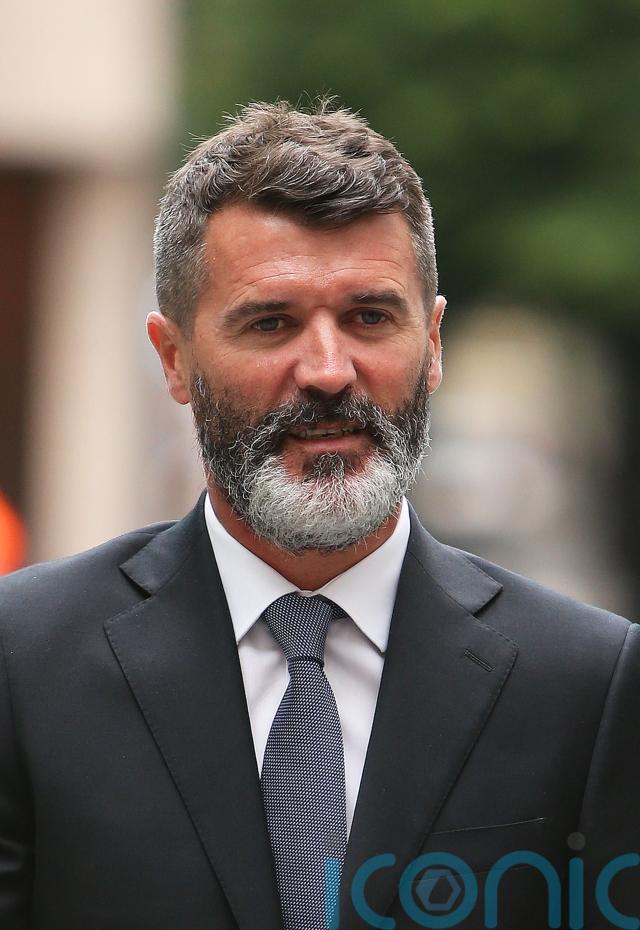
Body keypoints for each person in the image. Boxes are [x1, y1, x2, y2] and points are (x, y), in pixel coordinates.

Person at [0, 100, 638, 930]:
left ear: (433, 345)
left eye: (370, 317)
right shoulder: (22, 663)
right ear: (174, 358)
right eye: (272, 322)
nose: (330, 371)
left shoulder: (589, 683)